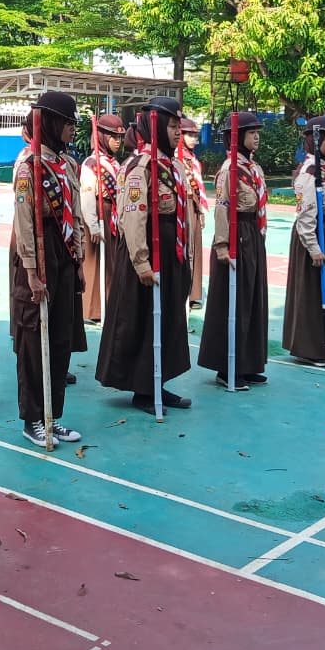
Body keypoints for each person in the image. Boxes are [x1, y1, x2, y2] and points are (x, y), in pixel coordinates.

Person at [95, 96, 194, 415]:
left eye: (180, 126)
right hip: (149, 251)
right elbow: (133, 216)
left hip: (170, 249)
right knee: (141, 318)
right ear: (156, 127)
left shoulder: (174, 165)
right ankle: (142, 387)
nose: (179, 132)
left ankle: (158, 381)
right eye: (173, 126)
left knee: (166, 317)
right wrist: (141, 261)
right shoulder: (140, 167)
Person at [11, 91, 86, 445]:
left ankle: (52, 415)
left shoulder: (68, 165)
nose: (72, 129)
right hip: (39, 253)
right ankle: (32, 419)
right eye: (67, 122)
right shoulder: (30, 167)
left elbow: (78, 215)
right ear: (52, 123)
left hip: (64, 253)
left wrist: (80, 258)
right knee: (33, 340)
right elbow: (25, 222)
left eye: (73, 123)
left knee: (59, 341)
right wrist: (31, 271)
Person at [198, 112, 269, 388]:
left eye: (257, 132)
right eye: (251, 132)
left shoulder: (255, 169)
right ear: (236, 137)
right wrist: (223, 245)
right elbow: (223, 208)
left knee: (252, 300)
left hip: (253, 234)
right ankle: (227, 366)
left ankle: (248, 362)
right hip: (236, 235)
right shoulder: (230, 170)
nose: (257, 137)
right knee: (234, 303)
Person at [282, 117, 325, 367]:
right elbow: (305, 212)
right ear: (315, 140)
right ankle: (314, 349)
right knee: (313, 294)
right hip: (315, 233)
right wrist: (313, 247)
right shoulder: (309, 173)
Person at [80, 114, 124, 326]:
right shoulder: (91, 163)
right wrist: (93, 225)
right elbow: (87, 196)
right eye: (113, 136)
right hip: (98, 216)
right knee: (94, 262)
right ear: (102, 137)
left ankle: (107, 303)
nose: (118, 141)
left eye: (120, 137)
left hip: (112, 216)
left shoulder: (115, 164)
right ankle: (91, 309)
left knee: (111, 262)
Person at [178, 117, 208, 310]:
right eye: (189, 135)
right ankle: (183, 291)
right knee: (185, 249)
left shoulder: (192, 159)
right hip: (183, 203)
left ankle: (194, 292)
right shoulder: (177, 157)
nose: (193, 139)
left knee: (195, 248)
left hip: (194, 204)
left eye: (195, 135)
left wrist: (202, 210)